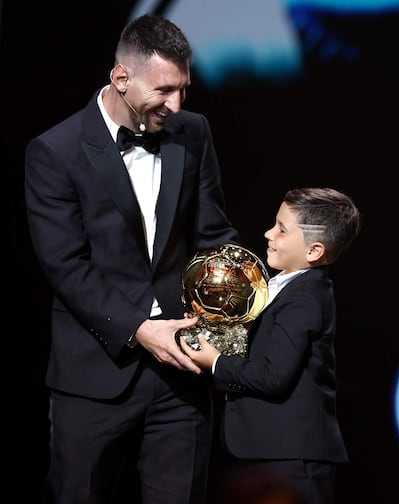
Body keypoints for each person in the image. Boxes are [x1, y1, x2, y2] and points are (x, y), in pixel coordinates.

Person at [24, 14, 240, 504]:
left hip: (181, 375)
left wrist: (239, 286)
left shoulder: (193, 131)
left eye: (184, 88)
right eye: (164, 90)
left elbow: (211, 230)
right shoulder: (54, 152)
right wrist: (140, 327)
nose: (177, 104)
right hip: (96, 375)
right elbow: (65, 264)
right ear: (121, 78)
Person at [180, 187, 361, 504]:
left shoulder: (306, 297)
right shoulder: (283, 286)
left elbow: (273, 376)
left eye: (281, 229)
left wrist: (216, 362)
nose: (268, 234)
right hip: (271, 449)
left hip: (291, 456)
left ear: (314, 251)